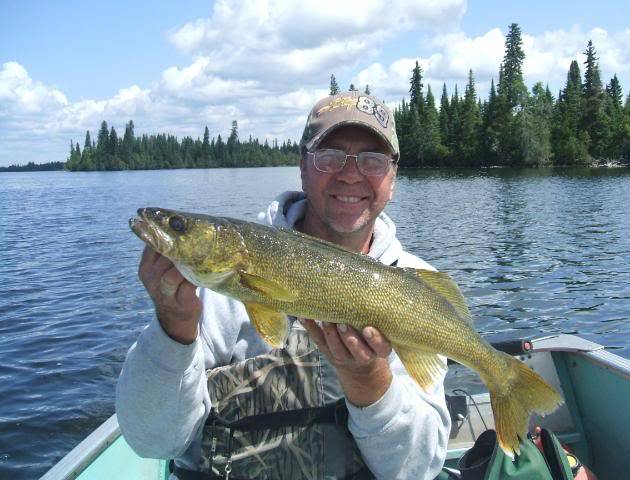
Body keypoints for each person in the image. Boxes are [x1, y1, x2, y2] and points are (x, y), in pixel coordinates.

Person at [116, 91, 451, 480]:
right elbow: (153, 442)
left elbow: (417, 470)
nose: (350, 174)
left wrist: (369, 380)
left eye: (373, 161)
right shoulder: (209, 293)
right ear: (303, 168)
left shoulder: (416, 289)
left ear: (392, 180)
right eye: (330, 158)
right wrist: (173, 329)